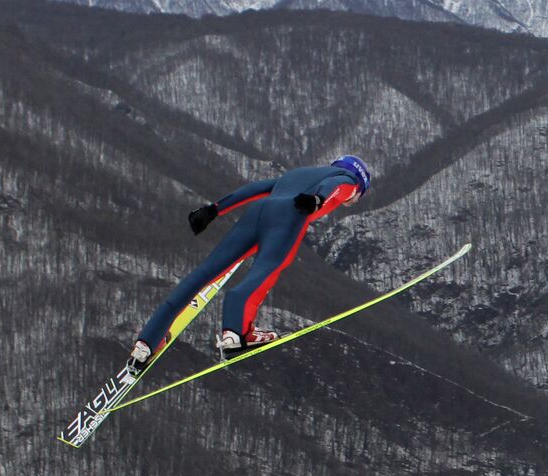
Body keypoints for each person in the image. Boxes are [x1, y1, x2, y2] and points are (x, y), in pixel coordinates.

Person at [128, 154, 372, 368]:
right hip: (288, 216)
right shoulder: (349, 181)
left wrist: (213, 210)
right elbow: (338, 186)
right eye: (358, 198)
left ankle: (147, 343)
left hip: (256, 212)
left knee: (202, 275)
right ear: (359, 186)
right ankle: (236, 334)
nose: (353, 201)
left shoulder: (299, 173)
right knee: (265, 270)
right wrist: (318, 200)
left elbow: (255, 188)